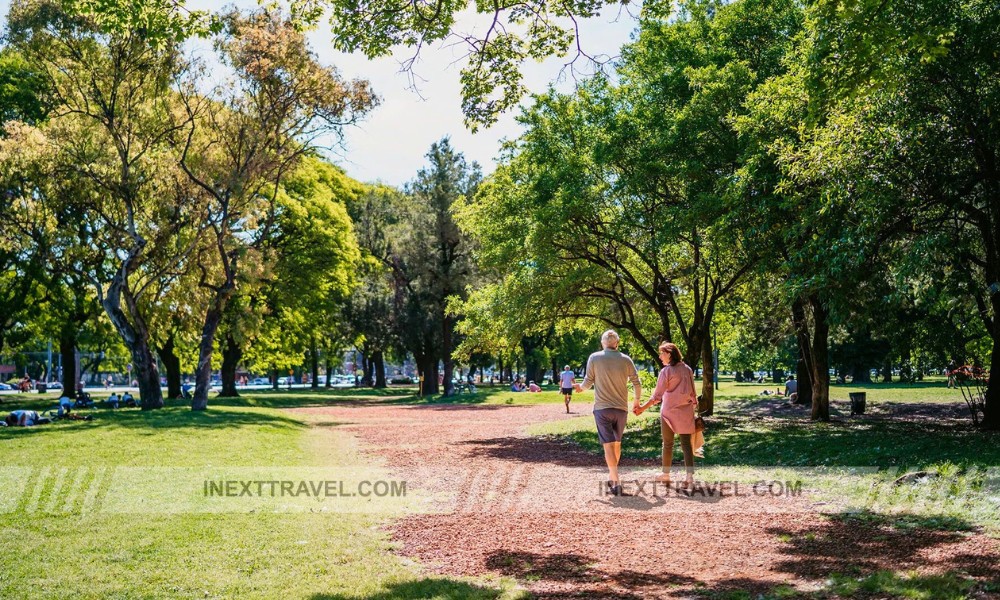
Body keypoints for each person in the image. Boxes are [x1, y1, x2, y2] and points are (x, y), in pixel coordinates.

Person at [574, 330, 642, 496]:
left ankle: (615, 479)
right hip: (621, 409)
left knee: (608, 445)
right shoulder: (626, 359)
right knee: (617, 443)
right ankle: (613, 477)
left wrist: (580, 389)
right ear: (617, 343)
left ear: (603, 343)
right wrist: (636, 402)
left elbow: (588, 382)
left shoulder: (595, 357)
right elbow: (637, 383)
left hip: (602, 408)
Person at [635, 342, 697, 488]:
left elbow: (657, 396)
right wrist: (692, 408)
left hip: (669, 412)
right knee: (686, 445)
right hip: (686, 412)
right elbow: (693, 394)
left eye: (662, 353)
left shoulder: (666, 372)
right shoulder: (687, 369)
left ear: (669, 354)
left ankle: (666, 474)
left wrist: (642, 408)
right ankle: (689, 476)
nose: (660, 356)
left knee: (668, 444)